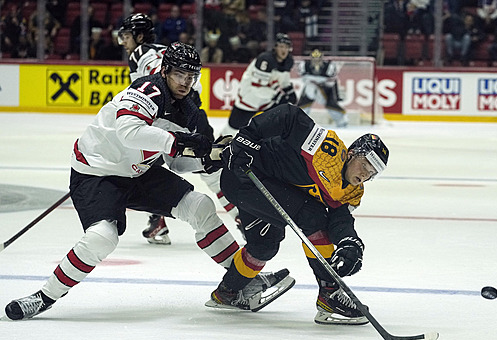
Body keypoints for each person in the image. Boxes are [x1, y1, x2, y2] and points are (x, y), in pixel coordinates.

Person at [4, 42, 292, 321]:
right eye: (180, 74)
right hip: (97, 172)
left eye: (191, 76)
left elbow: (176, 162)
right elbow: (128, 131)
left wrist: (212, 157)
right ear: (165, 70)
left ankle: (240, 281)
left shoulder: (187, 109)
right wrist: (179, 142)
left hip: (140, 171)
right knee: (102, 238)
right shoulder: (147, 89)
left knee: (199, 206)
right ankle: (44, 297)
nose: (185, 82)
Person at [206, 104, 389, 325]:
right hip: (245, 175)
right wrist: (247, 138)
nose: (365, 174)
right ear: (351, 154)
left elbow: (339, 220)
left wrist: (350, 243)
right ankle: (329, 293)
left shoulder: (352, 191)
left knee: (264, 246)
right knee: (312, 216)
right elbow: (289, 115)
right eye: (365, 164)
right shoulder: (327, 150)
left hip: (267, 190)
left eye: (372, 172)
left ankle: (227, 293)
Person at [118, 13, 240, 245]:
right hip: (193, 110)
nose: (123, 42)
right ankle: (241, 217)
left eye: (125, 36)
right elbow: (192, 84)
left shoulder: (137, 54)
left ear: (139, 35)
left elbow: (144, 89)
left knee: (145, 167)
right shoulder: (168, 49)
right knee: (211, 167)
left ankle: (158, 221)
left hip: (172, 113)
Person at [221, 33, 296, 137]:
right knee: (231, 130)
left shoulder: (288, 61)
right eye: (281, 46)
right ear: (275, 47)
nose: (284, 50)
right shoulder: (265, 60)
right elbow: (257, 87)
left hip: (267, 101)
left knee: (278, 126)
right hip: (249, 98)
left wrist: (289, 90)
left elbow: (282, 79)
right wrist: (278, 96)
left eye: (287, 47)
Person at [296, 49, 348, 128]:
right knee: (304, 104)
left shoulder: (329, 66)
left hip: (325, 89)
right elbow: (303, 78)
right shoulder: (304, 65)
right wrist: (319, 80)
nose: (316, 61)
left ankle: (342, 122)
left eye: (318, 59)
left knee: (332, 105)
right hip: (311, 88)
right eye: (314, 59)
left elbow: (331, 81)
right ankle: (299, 123)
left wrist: (315, 80)